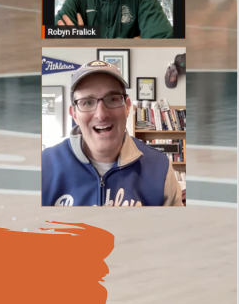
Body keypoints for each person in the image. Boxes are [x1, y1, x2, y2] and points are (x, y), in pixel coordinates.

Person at [41, 60, 183, 206]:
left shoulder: (160, 168)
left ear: (127, 107)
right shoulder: (44, 167)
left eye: (113, 99)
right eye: (88, 102)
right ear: (74, 114)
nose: (101, 115)